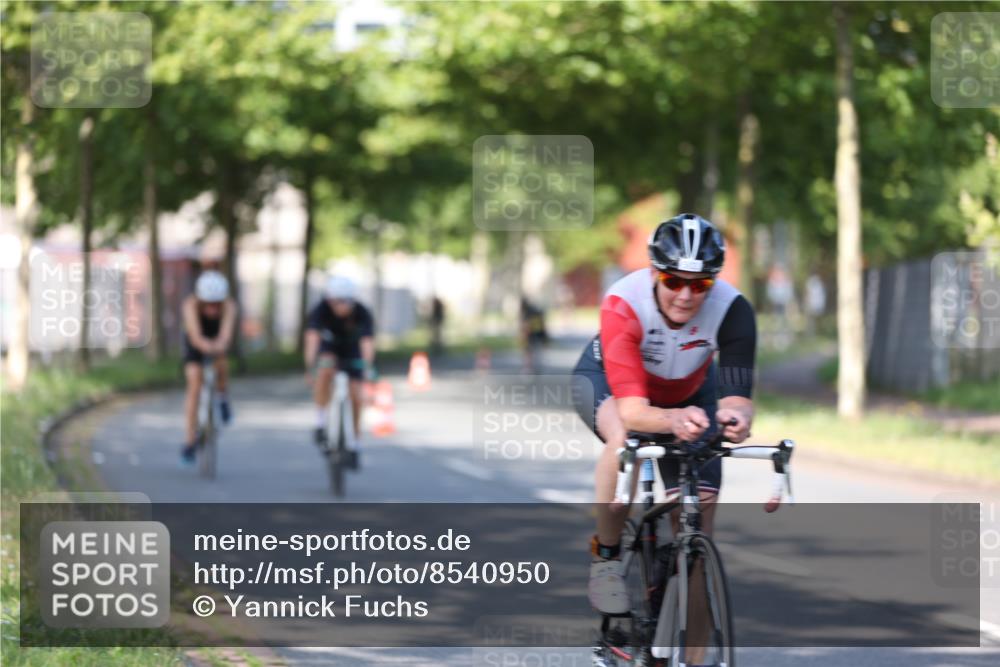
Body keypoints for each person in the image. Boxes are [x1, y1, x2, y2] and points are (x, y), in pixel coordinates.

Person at [570, 213, 757, 615]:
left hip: (690, 388)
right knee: (627, 443)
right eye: (673, 281)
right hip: (608, 383)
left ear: (715, 281)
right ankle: (606, 558)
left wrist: (736, 419)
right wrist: (673, 421)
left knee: (699, 530)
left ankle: (693, 654)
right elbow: (635, 412)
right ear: (654, 272)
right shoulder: (624, 303)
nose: (686, 295)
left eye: (700, 284)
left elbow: (737, 396)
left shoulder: (734, 311)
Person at [303, 275, 376, 457]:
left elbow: (367, 343)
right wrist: (310, 367)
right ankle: (320, 421)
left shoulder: (362, 312)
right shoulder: (321, 310)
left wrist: (367, 367)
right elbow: (312, 339)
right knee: (325, 368)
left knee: (356, 394)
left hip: (352, 350)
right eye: (336, 302)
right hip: (330, 347)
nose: (340, 307)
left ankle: (355, 439)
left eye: (344, 302)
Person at [180, 270, 237, 464]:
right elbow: (195, 335)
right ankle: (189, 440)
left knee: (221, 362)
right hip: (196, 341)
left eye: (216, 304)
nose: (213, 309)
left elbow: (226, 334)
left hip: (217, 338)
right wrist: (205, 345)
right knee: (194, 382)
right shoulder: (190, 305)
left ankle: (222, 397)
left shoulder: (229, 306)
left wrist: (219, 345)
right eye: (208, 304)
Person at [519, 297, 548, 373]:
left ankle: (529, 367)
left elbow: (526, 326)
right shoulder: (536, 311)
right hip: (538, 333)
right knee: (536, 350)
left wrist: (523, 336)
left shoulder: (527, 313)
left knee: (528, 351)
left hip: (532, 334)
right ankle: (536, 366)